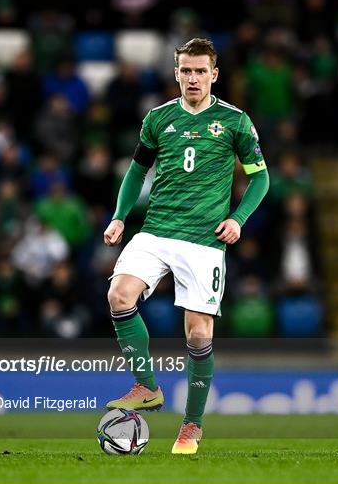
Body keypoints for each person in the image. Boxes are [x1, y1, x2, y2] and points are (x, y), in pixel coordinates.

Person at [103, 38, 269, 454]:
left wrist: (237, 218)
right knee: (119, 294)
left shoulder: (235, 122)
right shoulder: (158, 119)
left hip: (204, 241)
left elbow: (261, 177)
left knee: (198, 336)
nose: (193, 78)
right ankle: (146, 385)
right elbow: (136, 172)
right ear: (175, 73)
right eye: (185, 70)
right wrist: (120, 215)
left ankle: (191, 426)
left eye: (200, 71)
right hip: (156, 230)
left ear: (214, 74)